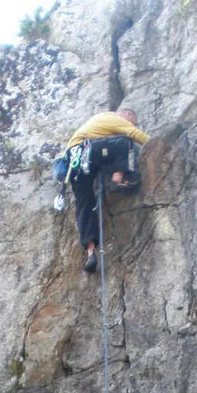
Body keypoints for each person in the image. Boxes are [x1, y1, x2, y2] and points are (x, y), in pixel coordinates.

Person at [65, 108, 149, 272]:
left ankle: (90, 251)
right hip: (88, 151)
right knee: (127, 142)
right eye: (134, 122)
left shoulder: (97, 125)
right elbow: (134, 134)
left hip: (74, 163)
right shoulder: (113, 117)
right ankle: (117, 179)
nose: (134, 125)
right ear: (127, 116)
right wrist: (154, 143)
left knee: (85, 204)